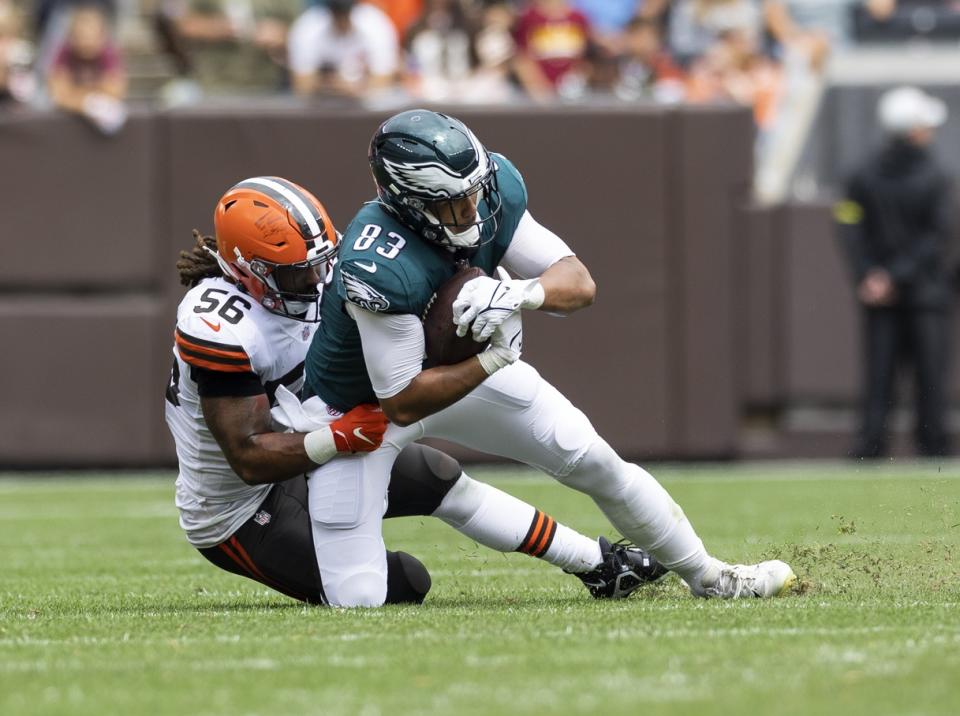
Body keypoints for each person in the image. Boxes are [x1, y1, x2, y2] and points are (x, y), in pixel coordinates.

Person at [301, 109, 797, 608]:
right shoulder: (377, 262)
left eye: (476, 193)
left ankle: (710, 576)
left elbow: (578, 282)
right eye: (455, 203)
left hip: (455, 378)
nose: (474, 212)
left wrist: (525, 292)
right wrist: (494, 361)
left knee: (594, 458)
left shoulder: (491, 189)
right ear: (409, 202)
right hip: (361, 412)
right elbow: (402, 400)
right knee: (357, 601)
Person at [165, 175, 667, 606]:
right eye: (300, 272)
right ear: (248, 270)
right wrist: (339, 438)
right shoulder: (219, 326)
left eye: (323, 262)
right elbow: (249, 457)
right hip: (241, 507)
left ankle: (599, 565)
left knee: (437, 476)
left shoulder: (326, 271)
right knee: (404, 581)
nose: (318, 279)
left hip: (314, 433)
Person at [836, 87, 956, 459]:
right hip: (927, 297)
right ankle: (933, 450)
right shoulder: (938, 177)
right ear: (914, 130)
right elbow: (937, 238)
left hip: (880, 295)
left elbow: (849, 226)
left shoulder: (861, 174)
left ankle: (870, 448)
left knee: (879, 376)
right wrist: (895, 276)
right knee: (930, 378)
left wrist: (871, 275)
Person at [287, 0, 398, 98]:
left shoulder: (375, 24)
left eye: (345, 14)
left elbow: (383, 80)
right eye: (337, 15)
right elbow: (302, 86)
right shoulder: (308, 27)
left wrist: (358, 88)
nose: (342, 21)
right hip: (322, 104)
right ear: (329, 12)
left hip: (365, 102)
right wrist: (331, 86)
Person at [46, 3, 126, 134]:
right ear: (72, 36)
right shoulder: (63, 51)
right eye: (81, 35)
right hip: (64, 127)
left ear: (102, 36)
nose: (86, 41)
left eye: (91, 35)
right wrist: (91, 103)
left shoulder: (109, 52)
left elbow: (115, 91)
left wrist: (78, 97)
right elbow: (59, 95)